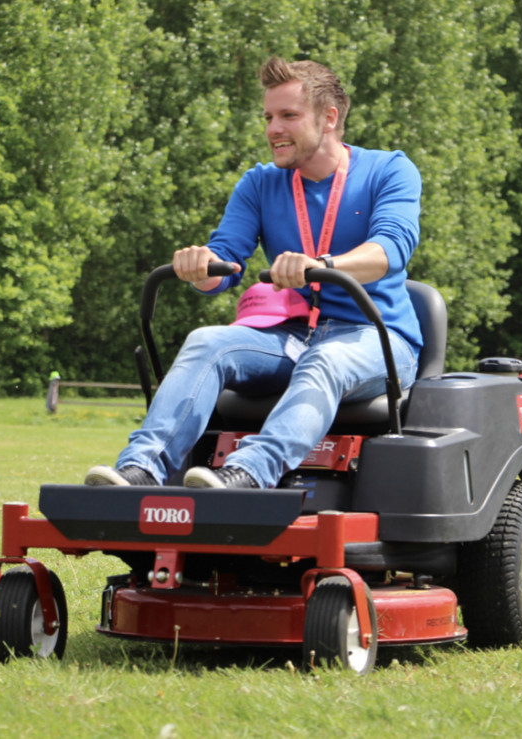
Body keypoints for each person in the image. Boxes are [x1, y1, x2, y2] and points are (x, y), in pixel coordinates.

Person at [85, 56, 422, 490]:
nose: (272, 130)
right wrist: (200, 265)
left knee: (326, 359)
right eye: (267, 117)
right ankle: (141, 468)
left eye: (288, 116)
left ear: (330, 118)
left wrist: (322, 266)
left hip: (376, 337)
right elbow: (224, 262)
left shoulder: (390, 170)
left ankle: (247, 473)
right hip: (292, 335)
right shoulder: (260, 183)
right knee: (207, 341)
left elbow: (388, 251)